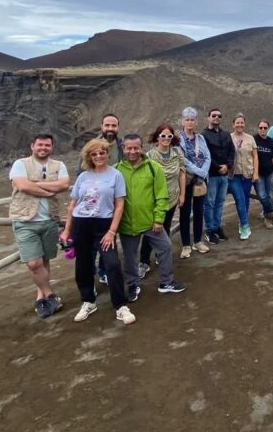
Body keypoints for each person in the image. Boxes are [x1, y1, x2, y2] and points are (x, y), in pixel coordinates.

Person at [60, 139, 134, 325]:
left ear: (107, 153)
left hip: (103, 224)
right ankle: (88, 301)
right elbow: (73, 205)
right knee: (83, 264)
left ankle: (120, 305)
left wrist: (111, 231)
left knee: (112, 264)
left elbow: (119, 205)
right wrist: (67, 231)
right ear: (89, 157)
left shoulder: (116, 175)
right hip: (81, 224)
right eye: (94, 154)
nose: (99, 156)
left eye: (102, 152)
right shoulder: (83, 177)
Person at [115, 134, 187, 299]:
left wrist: (158, 219)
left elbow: (161, 196)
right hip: (127, 224)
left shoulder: (153, 168)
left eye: (136, 148)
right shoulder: (116, 171)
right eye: (128, 148)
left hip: (150, 222)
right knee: (130, 257)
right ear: (123, 149)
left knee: (165, 247)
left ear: (142, 149)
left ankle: (166, 282)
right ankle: (132, 286)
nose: (132, 151)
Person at [9, 134, 70, 319]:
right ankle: (50, 294)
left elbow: (64, 185)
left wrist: (34, 184)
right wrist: (49, 190)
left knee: (44, 260)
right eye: (40, 145)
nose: (43, 148)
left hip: (49, 219)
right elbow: (22, 186)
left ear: (52, 147)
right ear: (32, 146)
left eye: (47, 145)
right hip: (25, 220)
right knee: (34, 263)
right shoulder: (21, 164)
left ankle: (40, 296)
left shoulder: (59, 165)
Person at [77, 112, 123, 284]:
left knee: (108, 239)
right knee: (89, 245)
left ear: (118, 127)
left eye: (113, 125)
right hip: (92, 203)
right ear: (102, 126)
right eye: (107, 125)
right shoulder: (91, 146)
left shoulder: (122, 145)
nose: (110, 129)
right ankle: (90, 273)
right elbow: (81, 172)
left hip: (112, 202)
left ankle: (104, 269)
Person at [142, 123, 186, 275]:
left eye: (169, 136)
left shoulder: (177, 153)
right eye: (163, 136)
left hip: (172, 197)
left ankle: (162, 256)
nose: (166, 139)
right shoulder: (150, 156)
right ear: (157, 137)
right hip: (155, 200)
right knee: (151, 230)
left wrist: (182, 195)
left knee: (165, 227)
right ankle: (144, 261)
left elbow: (182, 173)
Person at [178, 107, 211, 257]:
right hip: (186, 179)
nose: (190, 122)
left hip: (199, 181)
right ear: (182, 121)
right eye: (187, 119)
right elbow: (182, 159)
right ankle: (186, 244)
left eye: (192, 119)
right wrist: (200, 171)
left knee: (199, 211)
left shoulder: (201, 139)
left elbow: (207, 157)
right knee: (184, 213)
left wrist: (203, 172)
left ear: (196, 122)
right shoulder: (177, 139)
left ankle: (198, 241)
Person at [202, 107, 235, 244]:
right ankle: (209, 230)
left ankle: (217, 227)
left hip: (224, 174)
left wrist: (227, 165)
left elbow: (232, 151)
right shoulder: (203, 135)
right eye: (214, 115)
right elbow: (206, 154)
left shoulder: (226, 134)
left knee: (220, 202)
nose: (216, 118)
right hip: (212, 174)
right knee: (209, 203)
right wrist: (217, 167)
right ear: (208, 117)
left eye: (219, 116)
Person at [229, 114, 259, 239]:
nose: (240, 125)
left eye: (242, 122)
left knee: (246, 199)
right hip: (234, 174)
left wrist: (255, 172)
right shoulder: (229, 138)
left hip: (247, 173)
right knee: (240, 199)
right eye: (237, 122)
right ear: (233, 124)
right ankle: (246, 226)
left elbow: (255, 156)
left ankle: (242, 222)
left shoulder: (250, 138)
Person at [253, 120, 273, 229]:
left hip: (269, 172)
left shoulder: (270, 141)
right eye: (261, 127)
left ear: (268, 129)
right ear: (258, 128)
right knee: (262, 196)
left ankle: (267, 217)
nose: (263, 129)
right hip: (259, 173)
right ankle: (271, 213)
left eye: (265, 128)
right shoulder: (254, 140)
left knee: (270, 196)